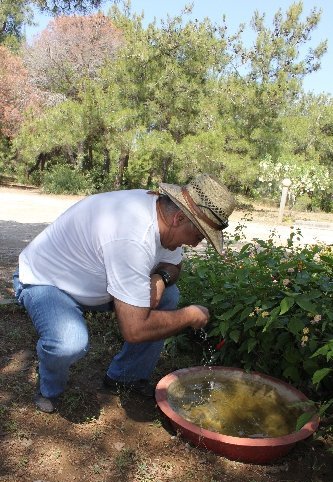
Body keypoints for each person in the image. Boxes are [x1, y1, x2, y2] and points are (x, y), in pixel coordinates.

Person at [13, 173, 236, 413]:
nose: (195, 244)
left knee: (169, 295)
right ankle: (50, 389)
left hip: (95, 284)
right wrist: (189, 316)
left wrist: (160, 278)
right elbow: (134, 329)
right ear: (179, 218)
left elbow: (174, 265)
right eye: (198, 236)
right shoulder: (132, 234)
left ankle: (125, 377)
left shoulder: (163, 216)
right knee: (69, 342)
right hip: (47, 281)